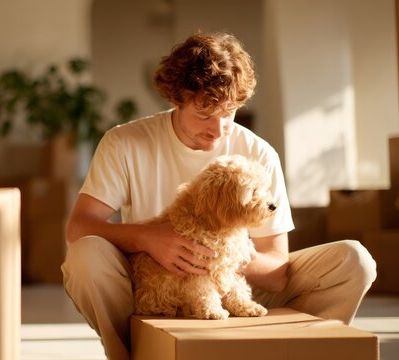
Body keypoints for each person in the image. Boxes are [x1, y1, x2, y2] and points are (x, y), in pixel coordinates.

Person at [60, 32, 377, 360]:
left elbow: (277, 271)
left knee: (354, 261)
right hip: (151, 287)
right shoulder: (125, 143)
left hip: (235, 286)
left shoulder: (258, 153)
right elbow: (78, 228)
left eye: (229, 113)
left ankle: (294, 349)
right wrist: (146, 237)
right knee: (86, 256)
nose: (218, 129)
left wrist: (226, 254)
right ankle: (134, 352)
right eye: (204, 115)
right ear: (176, 99)